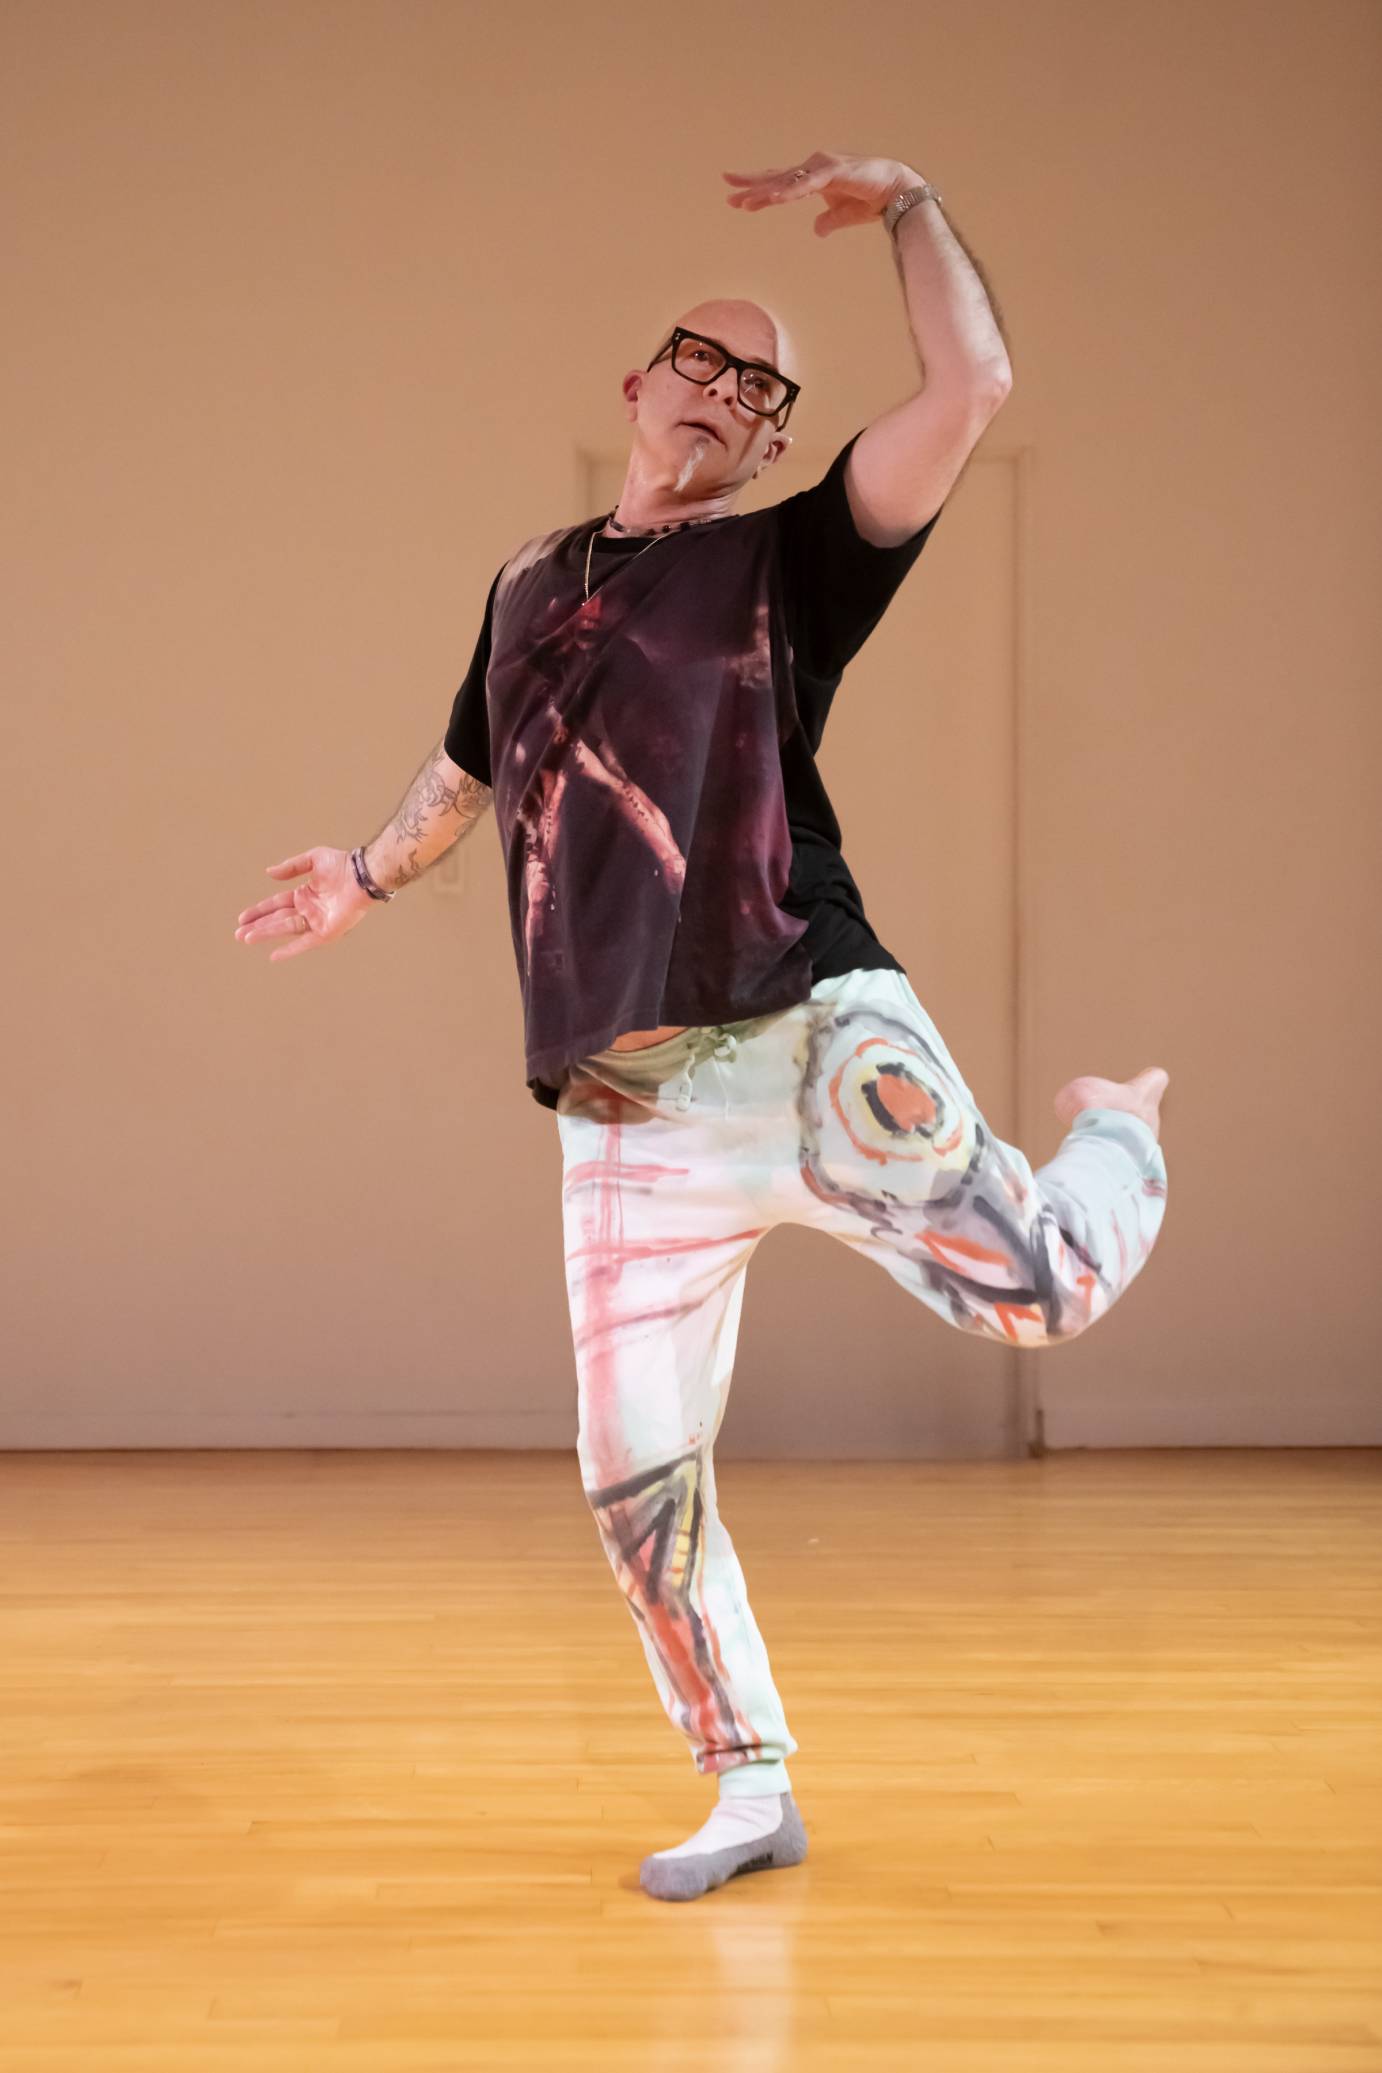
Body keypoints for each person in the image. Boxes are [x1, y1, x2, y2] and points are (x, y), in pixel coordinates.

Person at [236, 154, 1169, 1903]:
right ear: (638, 385)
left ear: (763, 442)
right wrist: (364, 877)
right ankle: (749, 1785)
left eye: (766, 393)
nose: (731, 399)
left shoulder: (783, 562)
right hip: (621, 1105)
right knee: (632, 1471)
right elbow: (470, 761)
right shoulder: (524, 582)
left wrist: (907, 199)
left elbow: (969, 389)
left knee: (1043, 1294)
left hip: (805, 1035)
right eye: (708, 364)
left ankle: (1115, 1126)